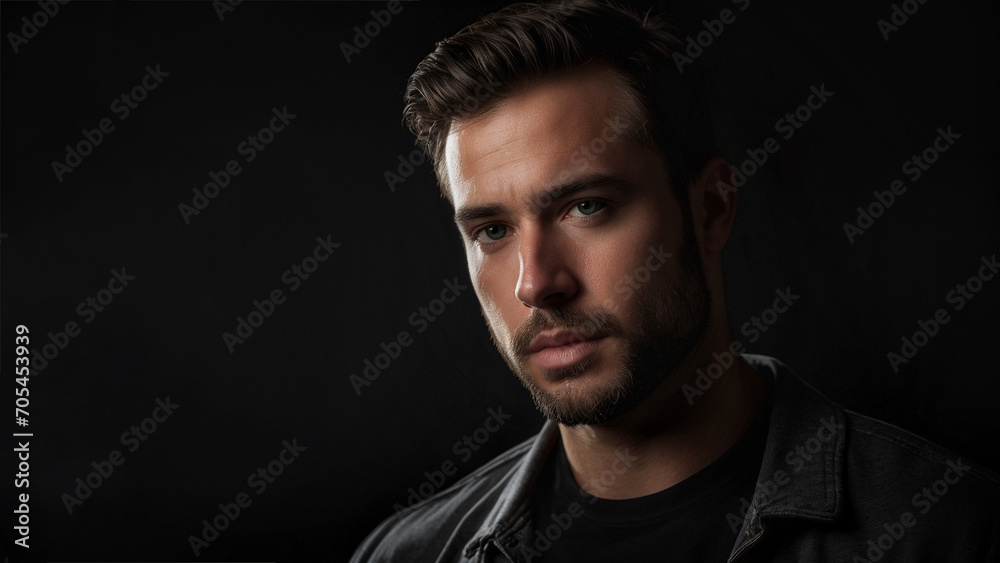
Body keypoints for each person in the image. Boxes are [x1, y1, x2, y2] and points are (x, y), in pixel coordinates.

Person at [352, 1, 1000, 561]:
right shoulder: (409, 554)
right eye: (493, 230)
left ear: (711, 208)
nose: (536, 283)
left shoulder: (948, 534)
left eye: (587, 207)